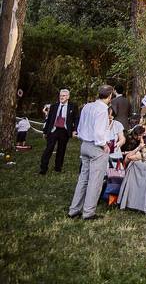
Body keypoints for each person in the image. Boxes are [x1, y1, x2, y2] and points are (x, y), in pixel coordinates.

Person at [68, 85, 114, 220]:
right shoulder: (103, 110)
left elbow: (80, 126)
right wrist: (104, 144)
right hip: (96, 147)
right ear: (110, 96)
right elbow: (99, 132)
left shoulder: (87, 106)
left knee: (83, 178)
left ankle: (74, 209)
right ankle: (88, 212)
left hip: (85, 144)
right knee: (95, 181)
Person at [40, 89, 78, 175]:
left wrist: (75, 130)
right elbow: (49, 119)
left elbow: (76, 119)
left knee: (61, 150)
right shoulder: (54, 106)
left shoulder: (73, 106)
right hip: (53, 130)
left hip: (64, 131)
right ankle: (43, 168)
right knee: (48, 149)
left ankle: (58, 168)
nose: (61, 97)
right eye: (60, 95)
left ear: (68, 97)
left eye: (64, 95)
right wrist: (45, 131)